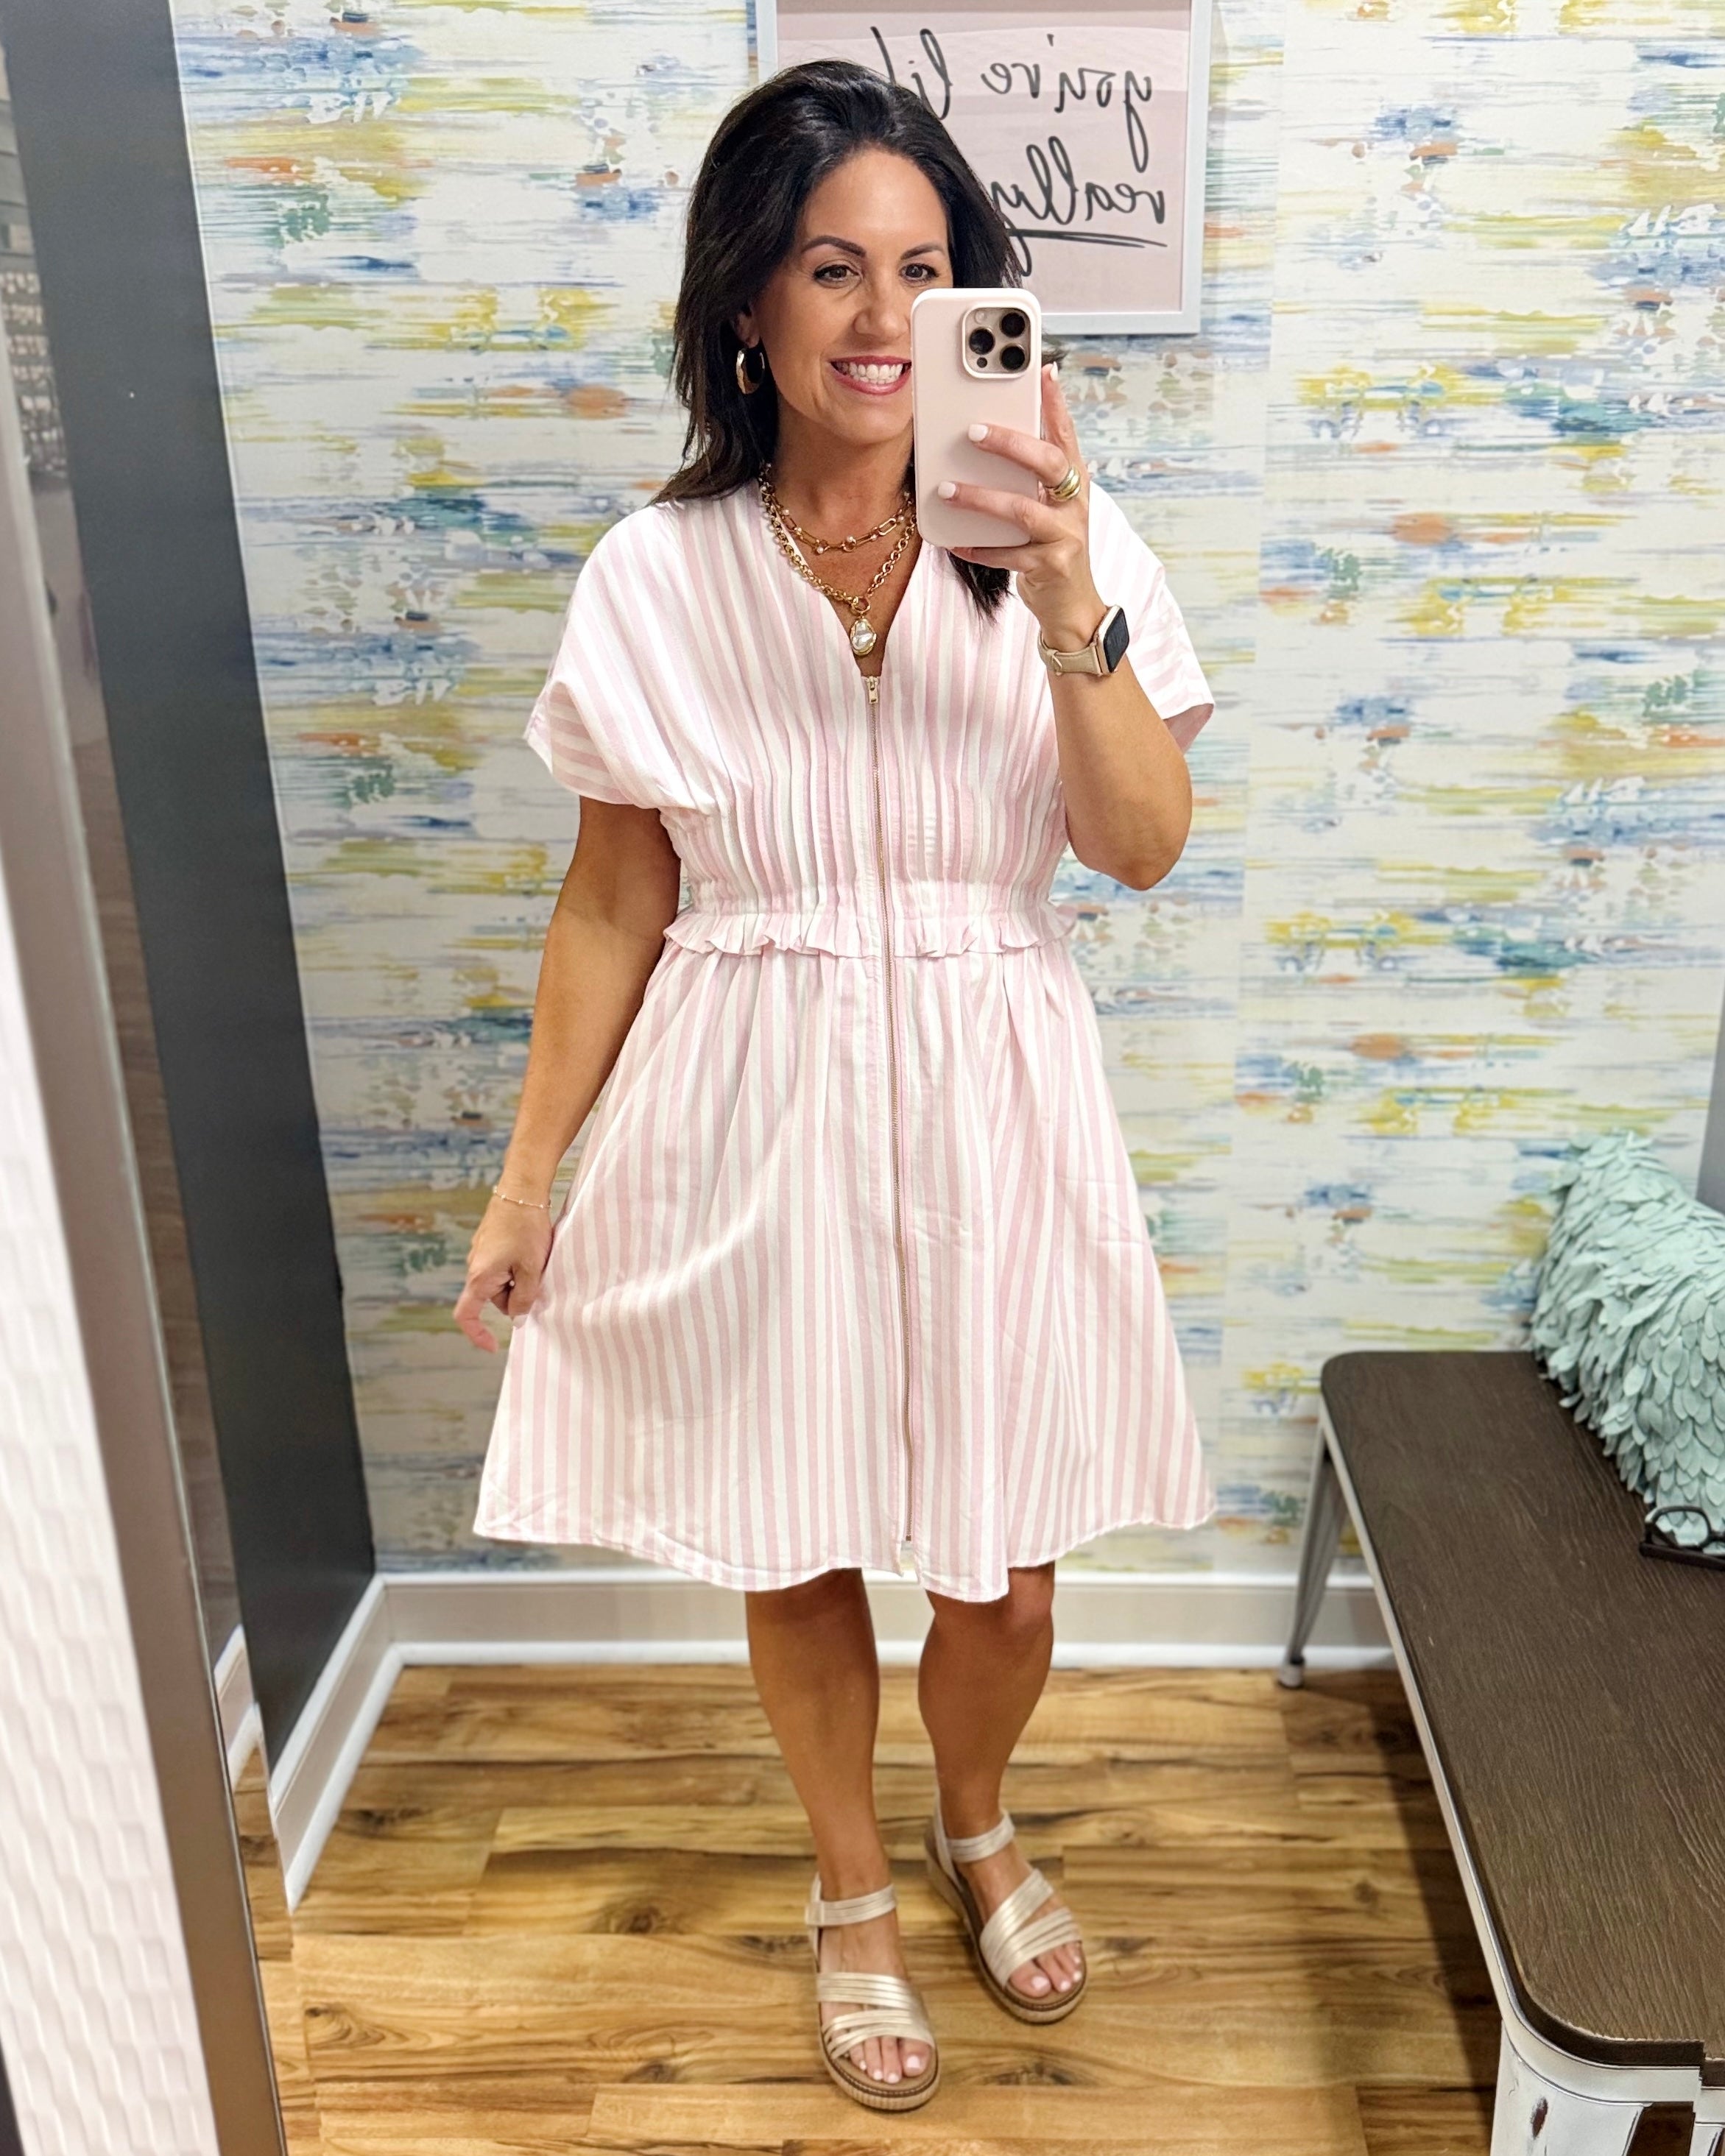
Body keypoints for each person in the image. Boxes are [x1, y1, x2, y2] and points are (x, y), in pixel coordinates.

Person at [453, 58, 1216, 2115]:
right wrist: (527, 1182)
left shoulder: (1069, 543)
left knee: (1008, 1571)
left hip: (995, 1096)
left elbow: (1142, 843)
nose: (888, 317)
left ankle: (975, 1815)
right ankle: (854, 1887)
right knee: (791, 1538)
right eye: (833, 268)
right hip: (751, 1097)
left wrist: (1067, 601)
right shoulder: (656, 573)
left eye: (929, 270)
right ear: (748, 306)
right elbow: (614, 898)